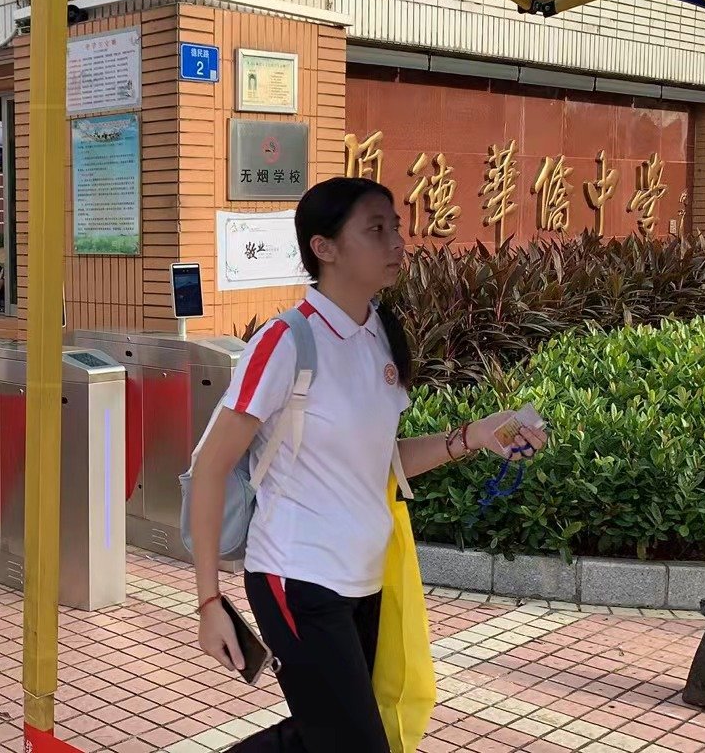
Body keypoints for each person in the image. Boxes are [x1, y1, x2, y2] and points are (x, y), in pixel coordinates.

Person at [189, 177, 549, 751]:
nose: (397, 242)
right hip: (296, 576)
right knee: (354, 740)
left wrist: (475, 435)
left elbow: (381, 458)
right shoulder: (286, 342)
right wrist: (209, 601)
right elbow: (210, 468)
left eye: (396, 228)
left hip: (366, 576)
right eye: (376, 229)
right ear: (324, 248)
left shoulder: (380, 335)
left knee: (329, 734)